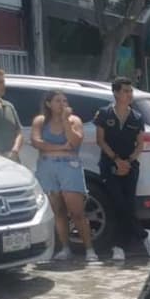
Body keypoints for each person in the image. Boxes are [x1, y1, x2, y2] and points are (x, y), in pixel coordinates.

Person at [93, 77, 150, 262]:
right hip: (109, 165)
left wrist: (127, 161)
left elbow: (140, 144)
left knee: (128, 205)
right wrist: (116, 160)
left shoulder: (136, 117)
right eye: (125, 91)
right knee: (117, 205)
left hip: (130, 166)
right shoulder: (104, 114)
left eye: (131, 91)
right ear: (116, 93)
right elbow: (100, 140)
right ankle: (143, 235)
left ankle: (120, 246)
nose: (129, 95)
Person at [32, 91, 96, 263]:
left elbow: (75, 142)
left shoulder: (74, 120)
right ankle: (65, 248)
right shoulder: (41, 121)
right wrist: (60, 148)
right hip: (47, 167)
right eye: (58, 101)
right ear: (48, 104)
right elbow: (36, 142)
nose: (62, 104)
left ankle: (89, 249)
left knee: (76, 211)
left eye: (65, 101)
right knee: (57, 210)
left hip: (69, 167)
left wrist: (66, 123)